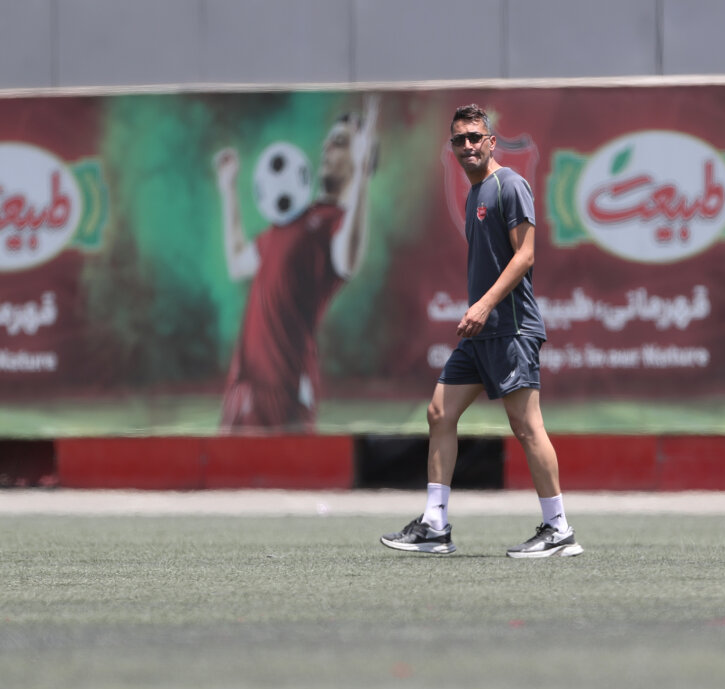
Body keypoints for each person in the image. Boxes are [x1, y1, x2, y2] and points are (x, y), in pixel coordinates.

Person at [381, 104, 582, 559]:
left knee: (526, 426)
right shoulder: (475, 194)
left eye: (475, 137)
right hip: (481, 333)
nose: (468, 145)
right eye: (460, 139)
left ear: (491, 142)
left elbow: (526, 255)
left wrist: (485, 304)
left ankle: (558, 530)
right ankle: (435, 525)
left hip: (511, 327)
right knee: (439, 412)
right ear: (452, 147)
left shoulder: (510, 184)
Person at [213, 95, 378, 431]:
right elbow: (237, 263)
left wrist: (362, 174)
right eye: (329, 140)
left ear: (363, 158)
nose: (327, 147)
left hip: (284, 390)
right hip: (243, 384)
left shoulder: (335, 225)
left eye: (340, 142)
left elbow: (348, 258)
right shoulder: (293, 220)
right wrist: (228, 189)